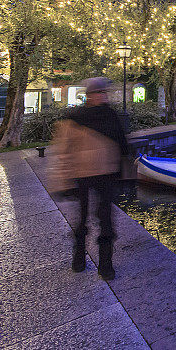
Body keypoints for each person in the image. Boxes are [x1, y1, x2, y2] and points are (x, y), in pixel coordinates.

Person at [53, 77, 129, 280]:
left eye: (105, 92)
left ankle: (106, 265)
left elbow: (122, 145)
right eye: (99, 93)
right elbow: (64, 151)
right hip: (83, 175)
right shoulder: (75, 118)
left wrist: (125, 175)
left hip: (107, 174)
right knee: (82, 219)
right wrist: (64, 181)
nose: (103, 96)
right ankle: (78, 258)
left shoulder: (111, 115)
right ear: (89, 96)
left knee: (106, 220)